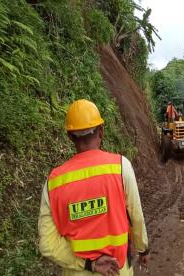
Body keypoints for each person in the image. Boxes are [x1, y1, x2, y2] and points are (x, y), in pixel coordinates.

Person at [38, 99, 150, 276]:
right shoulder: (120, 167)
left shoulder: (53, 183)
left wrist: (88, 264)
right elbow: (136, 216)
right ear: (101, 131)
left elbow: (47, 245)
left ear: (70, 136)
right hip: (118, 270)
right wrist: (143, 248)